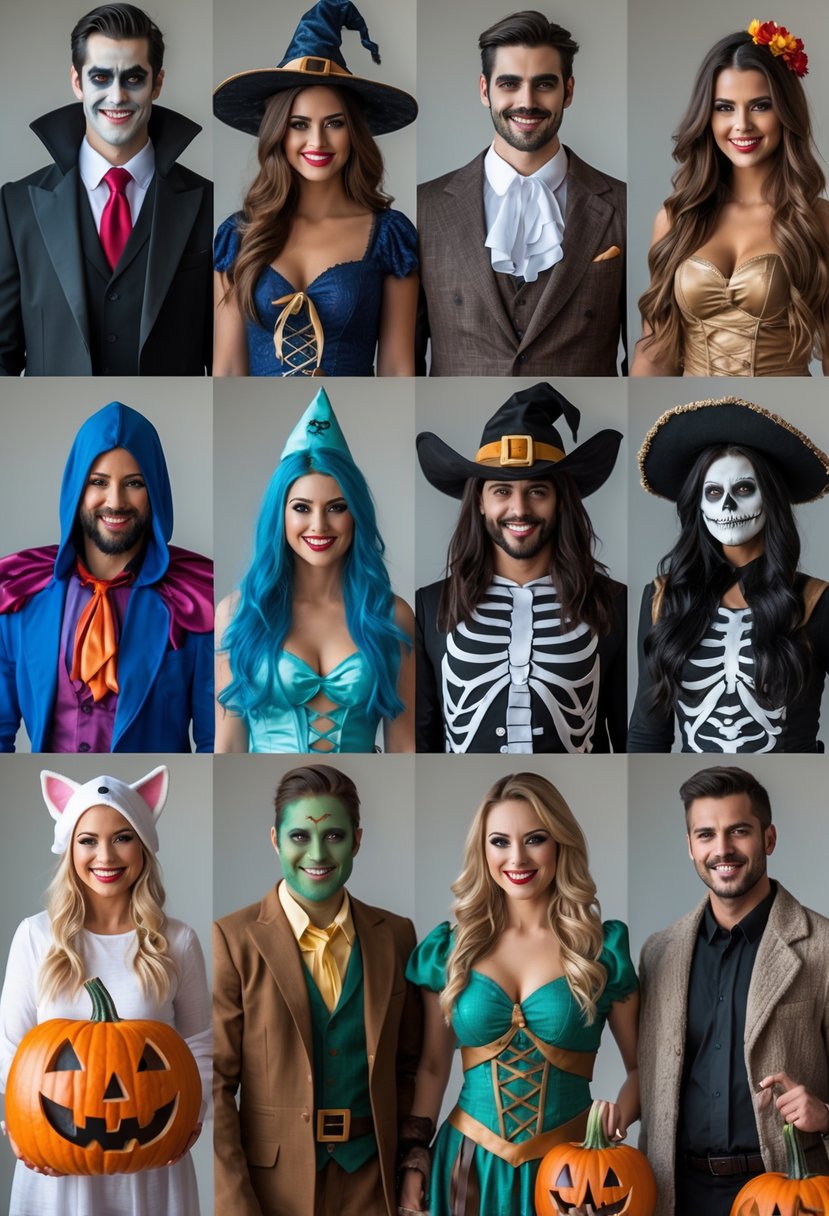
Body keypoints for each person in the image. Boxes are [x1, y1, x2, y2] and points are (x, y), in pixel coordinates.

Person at [399, 771, 639, 1216]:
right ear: (483, 849)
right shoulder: (449, 950)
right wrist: (414, 1160)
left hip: (572, 1177)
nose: (517, 857)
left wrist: (617, 1118)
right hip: (467, 1165)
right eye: (500, 841)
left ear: (559, 844)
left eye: (535, 839)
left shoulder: (602, 950)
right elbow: (433, 1069)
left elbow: (643, 1069)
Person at [0, 764, 211, 1215]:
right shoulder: (35, 936)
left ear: (144, 845)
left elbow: (198, 1042)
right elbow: (12, 1047)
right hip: (55, 1163)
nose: (106, 856)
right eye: (88, 840)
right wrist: (18, 1127)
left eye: (122, 837)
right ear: (69, 849)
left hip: (152, 1163)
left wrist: (193, 1117)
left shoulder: (177, 940)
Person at [213, 762, 423, 1216]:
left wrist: (411, 1166)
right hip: (272, 1189)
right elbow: (216, 1086)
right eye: (299, 837)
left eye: (333, 836)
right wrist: (234, 1203)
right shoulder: (232, 939)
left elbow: (410, 1068)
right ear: (275, 841)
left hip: (373, 1180)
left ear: (357, 840)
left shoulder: (398, 936)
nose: (317, 853)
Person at [638, 765, 829, 1215]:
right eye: (705, 834)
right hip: (676, 1193)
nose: (721, 849)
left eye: (738, 831)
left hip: (789, 1193)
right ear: (690, 847)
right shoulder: (658, 953)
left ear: (768, 838)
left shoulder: (822, 948)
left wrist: (824, 1113)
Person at [0, 3, 213, 376]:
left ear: (157, 83)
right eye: (100, 78)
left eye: (133, 78)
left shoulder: (207, 202)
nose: (116, 97)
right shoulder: (16, 205)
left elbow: (223, 354)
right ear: (77, 82)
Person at [416, 382, 626, 753]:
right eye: (501, 490)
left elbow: (624, 740)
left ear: (561, 501)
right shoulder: (429, 605)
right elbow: (422, 742)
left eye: (537, 491)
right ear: (479, 502)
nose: (519, 509)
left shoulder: (613, 603)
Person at [212, 0, 419, 376]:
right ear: (277, 133)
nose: (317, 141)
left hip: (349, 424)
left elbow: (397, 366)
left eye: (335, 123)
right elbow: (226, 367)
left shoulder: (391, 236)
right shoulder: (236, 237)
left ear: (354, 132)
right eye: (299, 124)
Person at [417, 10, 626, 377]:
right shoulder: (426, 208)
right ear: (485, 90)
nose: (526, 101)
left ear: (569, 90)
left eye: (544, 84)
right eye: (509, 84)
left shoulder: (623, 206)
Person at [0, 401, 214, 753]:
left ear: (155, 491)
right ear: (76, 490)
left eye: (134, 483)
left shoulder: (196, 600)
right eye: (98, 482)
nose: (115, 502)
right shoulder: (17, 593)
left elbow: (214, 743)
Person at [215, 386, 414, 753]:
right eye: (302, 508)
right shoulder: (236, 614)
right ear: (280, 514)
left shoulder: (391, 615)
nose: (319, 525)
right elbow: (227, 746)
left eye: (337, 507)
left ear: (356, 515)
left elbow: (404, 747)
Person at [628, 396, 829, 753]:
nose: (728, 506)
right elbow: (647, 734)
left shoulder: (816, 601)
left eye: (744, 489)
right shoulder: (663, 598)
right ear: (699, 503)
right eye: (714, 492)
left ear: (771, 497)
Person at [632, 22, 829, 377]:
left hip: (779, 416)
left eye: (760, 106)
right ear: (706, 116)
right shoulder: (677, 217)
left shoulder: (818, 219)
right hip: (697, 419)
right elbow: (655, 353)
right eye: (725, 107)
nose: (741, 124)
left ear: (785, 113)